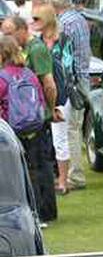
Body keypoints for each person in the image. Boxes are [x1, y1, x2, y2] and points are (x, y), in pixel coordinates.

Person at [2, 15, 56, 222]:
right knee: (41, 167)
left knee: (26, 171)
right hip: (35, 122)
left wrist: (52, 109)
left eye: (9, 32)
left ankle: (35, 213)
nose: (7, 36)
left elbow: (49, 84)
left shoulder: (36, 50)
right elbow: (42, 92)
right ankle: (47, 213)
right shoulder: (28, 72)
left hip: (17, 126)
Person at [51, 0, 88, 191]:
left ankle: (75, 177)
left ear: (55, 5)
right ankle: (75, 172)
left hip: (73, 82)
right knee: (76, 128)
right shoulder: (80, 19)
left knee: (71, 130)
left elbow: (66, 59)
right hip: (83, 78)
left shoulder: (64, 23)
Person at [33, 7, 71, 195]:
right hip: (41, 96)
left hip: (61, 94)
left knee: (60, 138)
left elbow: (68, 67)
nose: (33, 22)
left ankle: (63, 180)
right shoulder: (36, 42)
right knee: (46, 139)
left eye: (37, 18)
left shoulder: (63, 40)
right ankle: (54, 177)